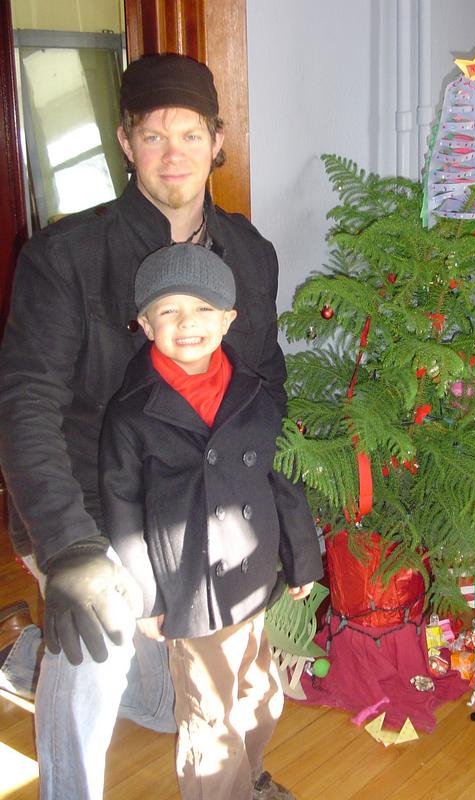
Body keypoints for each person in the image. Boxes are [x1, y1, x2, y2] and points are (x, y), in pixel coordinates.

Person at [0, 53, 295, 800]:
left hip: (194, 507)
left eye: (190, 134)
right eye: (154, 135)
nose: (173, 154)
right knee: (98, 630)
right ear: (126, 142)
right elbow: (24, 404)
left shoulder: (251, 255)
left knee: (173, 711)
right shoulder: (65, 256)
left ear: (217, 141)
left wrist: (277, 514)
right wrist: (70, 550)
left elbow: (266, 385)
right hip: (93, 504)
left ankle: (27, 652)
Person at [99, 243, 323, 799]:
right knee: (210, 718)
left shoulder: (255, 395)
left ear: (227, 319)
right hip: (190, 591)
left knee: (260, 692)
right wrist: (145, 596)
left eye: (203, 308)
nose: (187, 323)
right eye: (169, 310)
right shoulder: (130, 412)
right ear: (146, 324)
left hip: (252, 578)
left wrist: (302, 557)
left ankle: (249, 779)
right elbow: (122, 508)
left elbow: (284, 475)